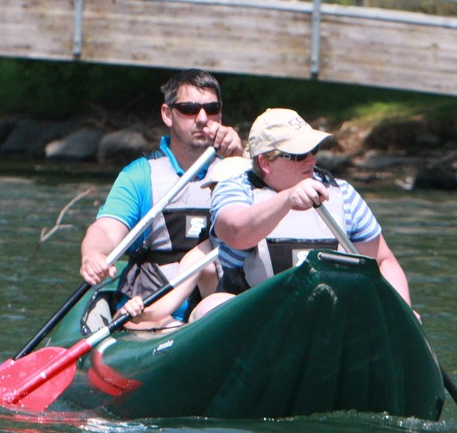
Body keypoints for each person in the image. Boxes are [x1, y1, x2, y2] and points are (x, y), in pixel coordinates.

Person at [79, 68, 244, 324]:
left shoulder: (237, 171)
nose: (202, 118)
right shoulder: (141, 175)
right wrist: (94, 255)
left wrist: (240, 159)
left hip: (216, 311)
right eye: (189, 109)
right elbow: (107, 230)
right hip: (149, 312)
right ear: (168, 114)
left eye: (212, 109)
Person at [209, 108, 413, 305]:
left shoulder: (343, 193)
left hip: (329, 315)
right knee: (209, 306)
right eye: (299, 154)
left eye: (313, 150)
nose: (312, 159)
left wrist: (404, 313)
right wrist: (287, 199)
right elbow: (235, 233)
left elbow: (384, 261)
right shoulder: (235, 189)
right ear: (265, 162)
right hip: (258, 317)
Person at [115, 157, 249, 329]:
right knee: (212, 303)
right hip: (223, 324)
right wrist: (141, 313)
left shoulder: (279, 233)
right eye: (214, 194)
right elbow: (166, 304)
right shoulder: (202, 253)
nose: (219, 203)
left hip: (269, 317)